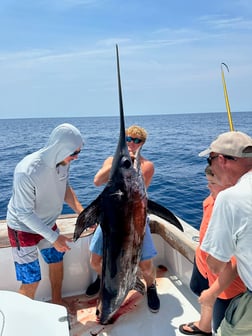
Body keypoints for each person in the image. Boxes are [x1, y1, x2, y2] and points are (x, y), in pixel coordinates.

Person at [7, 123, 84, 306]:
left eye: (78, 153)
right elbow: (24, 213)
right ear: (60, 148)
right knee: (32, 279)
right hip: (22, 229)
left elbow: (64, 186)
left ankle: (57, 302)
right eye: (74, 153)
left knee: (57, 260)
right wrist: (54, 238)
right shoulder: (27, 171)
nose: (76, 158)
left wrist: (82, 213)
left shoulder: (63, 162)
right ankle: (22, 318)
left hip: (48, 223)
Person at [85, 125, 160, 313]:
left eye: (137, 140)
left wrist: (131, 167)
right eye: (128, 139)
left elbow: (137, 192)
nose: (131, 143)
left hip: (135, 219)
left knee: (146, 266)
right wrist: (117, 164)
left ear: (142, 144)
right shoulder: (111, 160)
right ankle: (104, 281)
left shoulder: (147, 166)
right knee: (95, 261)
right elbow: (97, 181)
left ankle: (150, 287)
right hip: (111, 218)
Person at [197, 131, 252, 335]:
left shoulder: (229, 198)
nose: (210, 167)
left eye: (210, 159)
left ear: (221, 159)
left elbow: (216, 264)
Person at [179, 165, 246, 335]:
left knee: (222, 326)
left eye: (213, 183)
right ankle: (204, 325)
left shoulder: (236, 210)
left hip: (226, 285)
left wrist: (213, 292)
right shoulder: (212, 198)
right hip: (203, 263)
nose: (208, 186)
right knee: (198, 290)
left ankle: (211, 326)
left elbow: (236, 262)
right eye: (208, 181)